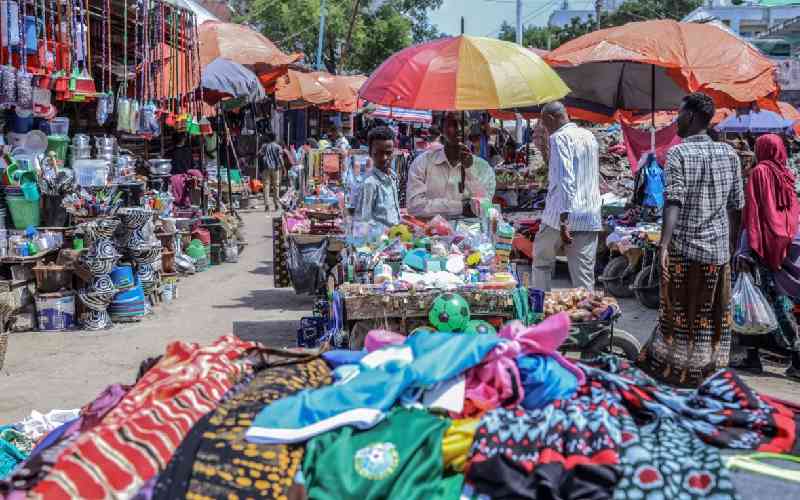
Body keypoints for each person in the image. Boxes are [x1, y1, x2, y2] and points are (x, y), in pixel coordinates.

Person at [640, 92, 744, 387]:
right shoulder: (730, 154)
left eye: (679, 114)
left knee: (678, 317)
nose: (676, 120)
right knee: (711, 318)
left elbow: (673, 200)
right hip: (717, 254)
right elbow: (737, 206)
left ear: (692, 117)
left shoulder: (678, 154)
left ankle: (676, 375)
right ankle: (709, 374)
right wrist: (731, 244)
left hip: (685, 251)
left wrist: (663, 244)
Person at [732, 134, 800, 379]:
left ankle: (754, 357)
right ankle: (793, 361)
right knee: (783, 306)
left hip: (763, 247)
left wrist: (744, 250)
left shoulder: (759, 172)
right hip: (786, 247)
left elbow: (755, 215)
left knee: (749, 302)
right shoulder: (787, 173)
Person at [532, 101, 601, 293]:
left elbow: (565, 178)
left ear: (552, 118)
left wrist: (564, 221)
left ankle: (540, 307)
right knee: (584, 276)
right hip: (589, 215)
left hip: (559, 217)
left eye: (545, 123)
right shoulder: (589, 136)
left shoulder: (559, 138)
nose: (545, 129)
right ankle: (587, 318)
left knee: (541, 263)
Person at [406, 113, 495, 218]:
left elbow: (484, 208)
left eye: (464, 123)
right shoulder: (423, 162)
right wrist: (461, 207)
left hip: (470, 232)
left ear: (470, 129)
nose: (459, 129)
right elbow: (414, 206)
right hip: (432, 232)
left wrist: (469, 170)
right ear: (441, 129)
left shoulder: (483, 167)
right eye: (452, 124)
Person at [353, 127, 401, 230]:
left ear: (394, 152)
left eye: (388, 153)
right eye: (378, 153)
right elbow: (363, 222)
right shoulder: (369, 183)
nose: (384, 158)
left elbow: (390, 215)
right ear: (370, 153)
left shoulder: (392, 178)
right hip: (379, 242)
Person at [258, 132, 284, 211]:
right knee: (276, 186)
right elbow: (280, 158)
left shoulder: (264, 146)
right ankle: (276, 204)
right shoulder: (278, 147)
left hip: (266, 168)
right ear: (275, 138)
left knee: (266, 186)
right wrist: (283, 167)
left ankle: (267, 205)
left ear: (268, 138)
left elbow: (258, 154)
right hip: (276, 168)